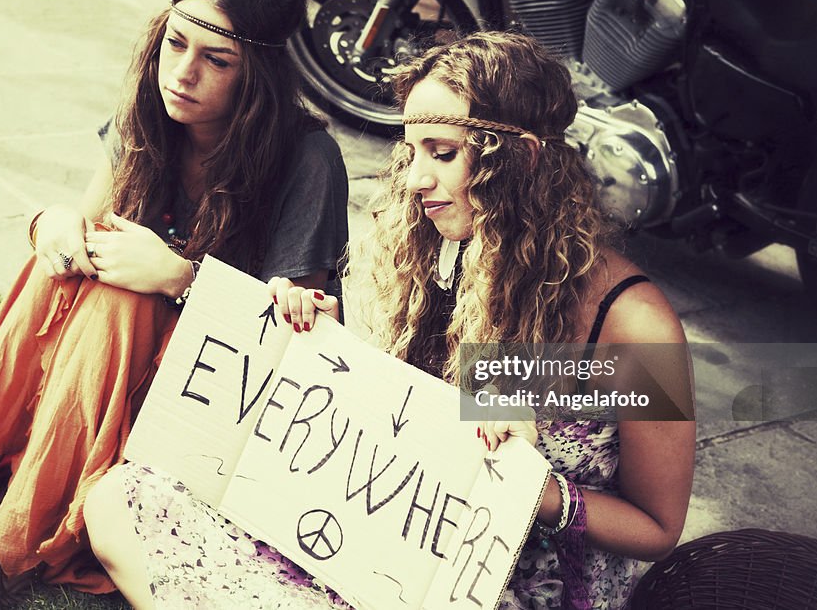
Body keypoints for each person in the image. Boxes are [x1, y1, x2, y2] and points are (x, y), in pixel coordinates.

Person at [86, 31, 694, 610]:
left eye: (443, 153)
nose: (416, 178)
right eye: (411, 150)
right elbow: (396, 427)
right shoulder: (428, 247)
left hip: (506, 585)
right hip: (381, 542)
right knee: (122, 500)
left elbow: (658, 526)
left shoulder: (634, 323)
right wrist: (325, 346)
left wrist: (537, 494)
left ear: (521, 158)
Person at [0, 0, 348, 610]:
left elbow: (301, 344)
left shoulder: (308, 157)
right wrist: (52, 225)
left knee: (125, 299)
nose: (184, 73)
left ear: (254, 75)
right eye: (175, 44)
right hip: (97, 377)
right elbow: (81, 238)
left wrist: (182, 279)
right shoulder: (151, 113)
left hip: (207, 409)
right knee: (67, 263)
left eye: (215, 60)